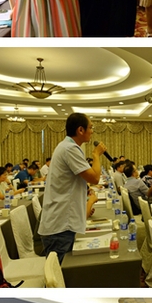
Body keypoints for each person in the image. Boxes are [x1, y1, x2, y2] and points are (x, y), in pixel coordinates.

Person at [38, 112, 106, 262]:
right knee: (60, 274)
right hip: (60, 226)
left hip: (60, 223)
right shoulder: (70, 149)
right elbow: (95, 178)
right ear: (80, 130)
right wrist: (96, 155)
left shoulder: (66, 146)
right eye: (90, 127)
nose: (92, 131)